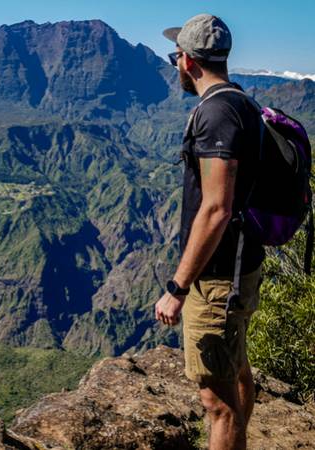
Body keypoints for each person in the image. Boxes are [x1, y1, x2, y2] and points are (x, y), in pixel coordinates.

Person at [154, 13, 265, 450]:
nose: (175, 64)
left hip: (218, 277)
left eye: (174, 56)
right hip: (242, 266)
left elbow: (216, 208)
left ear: (187, 61)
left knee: (217, 405)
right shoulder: (241, 103)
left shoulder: (216, 113)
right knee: (236, 368)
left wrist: (178, 287)